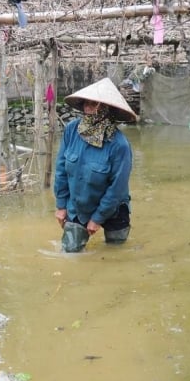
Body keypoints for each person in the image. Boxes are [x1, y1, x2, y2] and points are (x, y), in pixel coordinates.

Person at [54, 77, 137, 252]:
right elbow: (61, 170)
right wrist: (61, 205)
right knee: (70, 252)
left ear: (107, 110)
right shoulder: (71, 130)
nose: (88, 108)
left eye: (94, 105)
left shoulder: (119, 145)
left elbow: (117, 188)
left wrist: (98, 218)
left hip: (113, 208)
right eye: (86, 104)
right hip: (79, 206)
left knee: (117, 253)